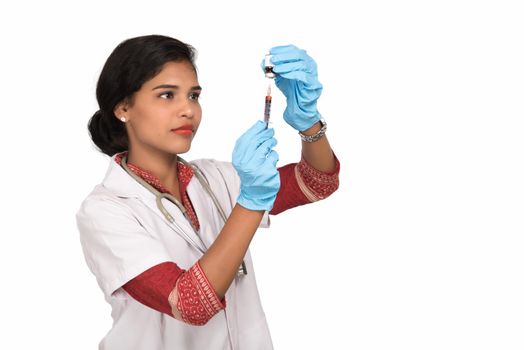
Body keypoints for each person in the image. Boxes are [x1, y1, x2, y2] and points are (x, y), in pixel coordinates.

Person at [76, 34, 340, 350]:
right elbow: (189, 304)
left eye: (193, 96)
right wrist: (252, 202)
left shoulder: (215, 178)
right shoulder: (105, 210)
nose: (188, 110)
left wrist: (308, 123)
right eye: (166, 95)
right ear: (123, 108)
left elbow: (317, 182)